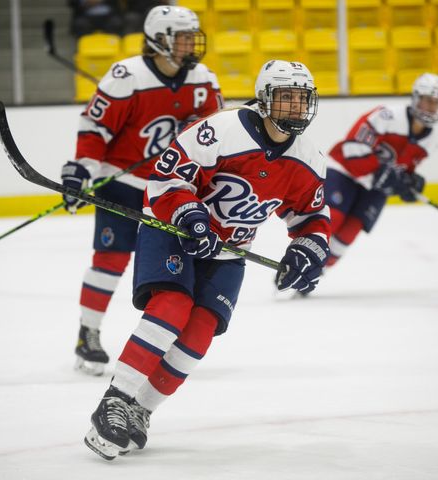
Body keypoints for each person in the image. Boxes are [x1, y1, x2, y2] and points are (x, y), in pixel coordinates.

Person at [82, 59, 331, 461]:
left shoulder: (309, 158)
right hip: (174, 230)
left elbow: (312, 218)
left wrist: (308, 250)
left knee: (200, 331)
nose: (295, 108)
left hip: (230, 250)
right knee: (171, 307)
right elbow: (167, 179)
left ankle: (140, 409)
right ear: (265, 99)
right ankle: (114, 399)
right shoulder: (223, 130)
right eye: (285, 98)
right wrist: (191, 217)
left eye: (302, 100)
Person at [61, 5, 222, 377]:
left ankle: (166, 336)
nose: (190, 44)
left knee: (175, 267)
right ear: (159, 39)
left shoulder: (203, 78)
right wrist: (80, 171)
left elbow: (217, 131)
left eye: (191, 36)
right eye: (181, 37)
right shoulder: (126, 75)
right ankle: (89, 332)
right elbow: (95, 128)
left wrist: (199, 126)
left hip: (171, 191)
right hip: (123, 182)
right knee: (112, 259)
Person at [322, 73, 438, 270]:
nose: (432, 107)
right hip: (345, 170)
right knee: (331, 220)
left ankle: (317, 272)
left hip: (374, 186)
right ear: (416, 98)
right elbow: (352, 148)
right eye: (427, 101)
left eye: (436, 102)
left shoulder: (430, 142)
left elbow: (401, 172)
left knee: (349, 232)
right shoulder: (386, 116)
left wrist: (408, 184)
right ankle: (297, 261)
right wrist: (380, 172)